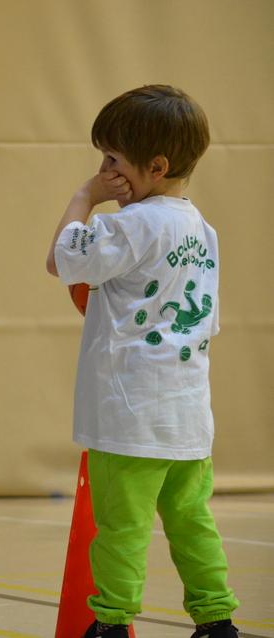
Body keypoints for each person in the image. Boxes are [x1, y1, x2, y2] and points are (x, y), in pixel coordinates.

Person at [47, 85, 240, 638]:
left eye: (111, 161)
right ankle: (216, 618)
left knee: (121, 529)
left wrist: (86, 195)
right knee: (192, 521)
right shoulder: (204, 232)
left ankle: (109, 624)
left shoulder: (130, 225)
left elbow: (60, 258)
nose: (104, 170)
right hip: (186, 415)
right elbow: (207, 321)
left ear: (155, 166)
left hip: (127, 416)